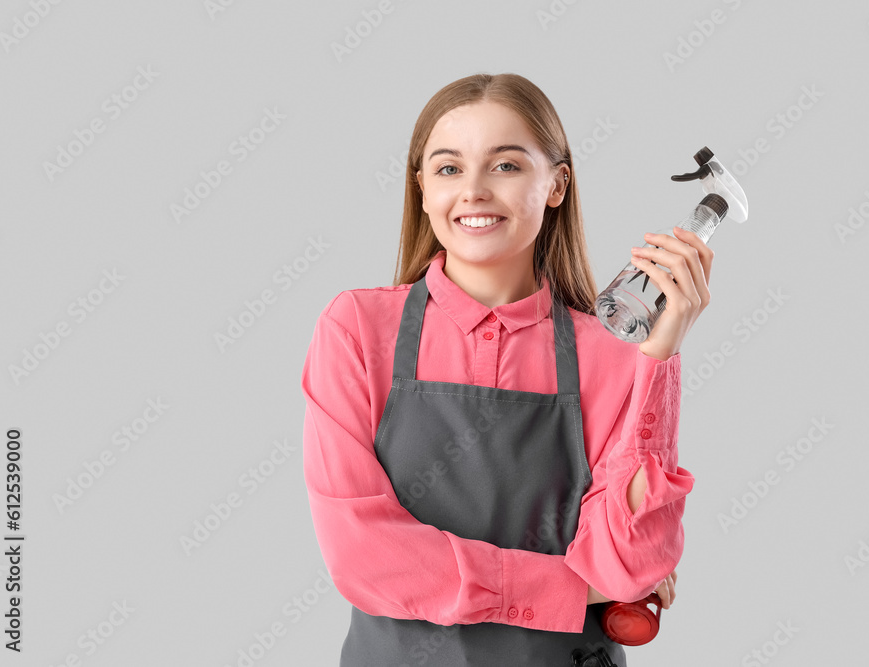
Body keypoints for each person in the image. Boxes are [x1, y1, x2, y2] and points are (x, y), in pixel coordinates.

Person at [301, 72, 709, 666]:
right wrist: (574, 588)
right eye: (448, 169)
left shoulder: (616, 355)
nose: (473, 191)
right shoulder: (357, 330)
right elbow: (364, 556)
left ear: (557, 185)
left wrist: (659, 357)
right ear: (421, 188)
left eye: (506, 166)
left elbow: (629, 563)